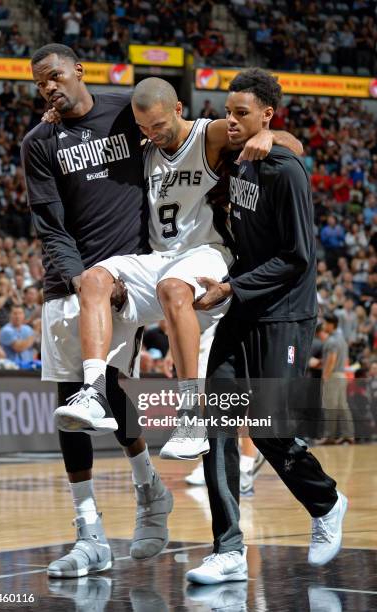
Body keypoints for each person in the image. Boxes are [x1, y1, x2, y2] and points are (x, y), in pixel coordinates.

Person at [54, 76, 303, 461]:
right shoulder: (143, 147)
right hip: (159, 257)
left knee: (172, 287)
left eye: (159, 126)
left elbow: (293, 144)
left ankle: (190, 414)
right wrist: (60, 111)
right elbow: (91, 113)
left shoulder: (210, 134)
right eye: (143, 128)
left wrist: (271, 137)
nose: (152, 134)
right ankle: (94, 392)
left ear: (178, 110)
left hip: (207, 252)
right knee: (93, 280)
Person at [186, 68, 348, 585]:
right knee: (218, 424)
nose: (230, 122)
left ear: (266, 115)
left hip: (285, 313)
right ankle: (228, 548)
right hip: (243, 307)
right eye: (227, 112)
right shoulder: (238, 156)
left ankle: (326, 503)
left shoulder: (284, 169)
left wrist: (231, 286)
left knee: (273, 430)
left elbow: (298, 257)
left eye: (241, 114)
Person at [21, 43, 173, 578]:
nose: (49, 88)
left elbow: (180, 128)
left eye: (55, 77)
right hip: (69, 278)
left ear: (79, 71)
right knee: (69, 406)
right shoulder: (38, 142)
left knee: (106, 388)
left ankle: (148, 489)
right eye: (41, 83)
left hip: (125, 274)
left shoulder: (125, 113)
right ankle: (90, 534)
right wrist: (78, 278)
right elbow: (51, 224)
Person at [320, 312, 355, 444]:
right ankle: (348, 435)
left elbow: (332, 358)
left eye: (325, 323)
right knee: (342, 406)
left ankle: (329, 436)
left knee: (330, 407)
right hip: (342, 375)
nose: (323, 325)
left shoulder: (332, 340)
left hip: (333, 375)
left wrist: (325, 376)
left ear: (331, 324)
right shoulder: (342, 339)